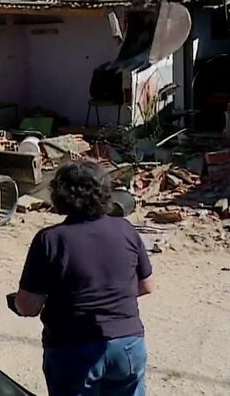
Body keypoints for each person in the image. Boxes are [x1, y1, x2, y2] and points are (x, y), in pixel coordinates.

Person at [14, 159, 155, 396]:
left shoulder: (50, 240)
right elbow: (147, 285)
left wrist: (18, 303)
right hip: (127, 345)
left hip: (72, 348)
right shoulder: (125, 229)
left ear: (59, 195)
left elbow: (29, 306)